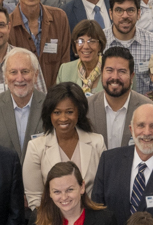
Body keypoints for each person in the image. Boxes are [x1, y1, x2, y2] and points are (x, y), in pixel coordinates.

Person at [21, 82, 106, 210]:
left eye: (69, 112)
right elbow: (35, 197)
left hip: (91, 221)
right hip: (52, 223)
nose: (63, 118)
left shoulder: (97, 143)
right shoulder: (36, 147)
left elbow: (104, 191)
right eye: (57, 112)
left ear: (79, 113)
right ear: (49, 115)